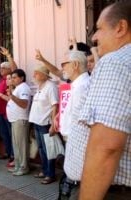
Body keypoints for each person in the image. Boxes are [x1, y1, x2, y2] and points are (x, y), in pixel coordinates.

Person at [64, 2, 131, 199]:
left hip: (110, 191)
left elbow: (106, 146)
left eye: (99, 28)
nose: (94, 37)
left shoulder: (115, 62)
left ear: (120, 28)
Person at [56, 50, 89, 199]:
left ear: (75, 65)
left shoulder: (82, 86)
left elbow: (82, 122)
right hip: (71, 139)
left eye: (64, 64)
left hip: (77, 142)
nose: (62, 68)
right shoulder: (77, 85)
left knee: (75, 181)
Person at [29, 66, 59, 184]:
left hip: (45, 123)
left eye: (37, 72)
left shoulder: (50, 86)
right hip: (37, 122)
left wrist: (53, 124)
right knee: (41, 149)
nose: (34, 74)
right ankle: (45, 171)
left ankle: (50, 174)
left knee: (48, 150)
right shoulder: (40, 86)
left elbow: (54, 105)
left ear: (44, 75)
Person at [6, 69, 31, 176]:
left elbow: (24, 104)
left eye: (15, 77)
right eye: (12, 77)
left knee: (21, 146)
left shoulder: (24, 87)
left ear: (22, 78)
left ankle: (23, 167)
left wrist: (12, 96)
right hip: (15, 120)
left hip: (20, 120)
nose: (12, 79)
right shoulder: (18, 88)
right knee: (16, 145)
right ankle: (17, 166)